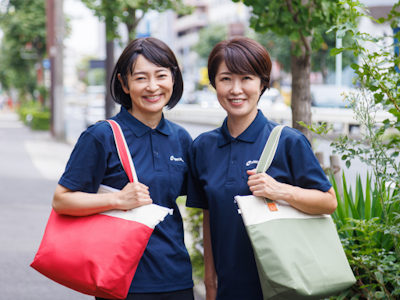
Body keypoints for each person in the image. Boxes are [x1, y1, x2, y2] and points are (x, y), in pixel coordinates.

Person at [186, 37, 337, 300]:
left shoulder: (288, 141)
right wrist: (210, 281)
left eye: (246, 78)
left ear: (262, 83)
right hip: (228, 289)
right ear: (213, 84)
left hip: (283, 287)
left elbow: (328, 202)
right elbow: (209, 216)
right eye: (225, 79)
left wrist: (280, 191)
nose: (236, 89)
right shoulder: (203, 148)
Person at [53, 37, 194, 300]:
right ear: (124, 83)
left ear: (173, 79)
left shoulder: (181, 138)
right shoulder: (101, 136)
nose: (153, 87)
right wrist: (117, 199)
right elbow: (62, 201)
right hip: (121, 279)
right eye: (141, 78)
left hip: (176, 278)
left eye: (161, 76)